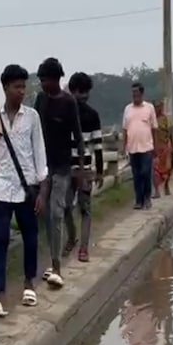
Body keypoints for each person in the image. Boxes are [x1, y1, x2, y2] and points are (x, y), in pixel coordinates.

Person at [0, 64, 48, 317]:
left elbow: (39, 153)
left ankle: (29, 284)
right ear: (5, 88)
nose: (21, 91)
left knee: (30, 236)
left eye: (24, 86)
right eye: (16, 86)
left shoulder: (32, 117)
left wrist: (42, 191)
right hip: (1, 188)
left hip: (26, 189)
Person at [34, 58, 85, 288]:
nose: (43, 84)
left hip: (63, 167)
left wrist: (81, 170)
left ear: (56, 79)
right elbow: (33, 131)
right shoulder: (40, 100)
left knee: (56, 212)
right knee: (44, 214)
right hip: (42, 166)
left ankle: (56, 266)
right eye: (41, 80)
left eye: (45, 80)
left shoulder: (68, 103)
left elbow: (78, 136)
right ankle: (52, 255)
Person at [65, 72, 104, 262]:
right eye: (81, 92)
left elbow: (97, 145)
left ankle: (83, 248)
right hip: (65, 168)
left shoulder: (92, 115)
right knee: (64, 207)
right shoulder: (63, 112)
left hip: (85, 168)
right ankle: (72, 237)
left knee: (85, 209)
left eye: (86, 92)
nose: (83, 96)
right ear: (73, 91)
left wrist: (100, 170)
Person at [122, 82, 157, 210]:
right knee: (136, 175)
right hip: (132, 147)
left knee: (145, 172)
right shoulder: (127, 109)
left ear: (141, 93)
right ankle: (139, 200)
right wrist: (123, 146)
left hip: (147, 147)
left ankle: (147, 197)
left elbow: (154, 128)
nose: (134, 95)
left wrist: (156, 147)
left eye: (136, 93)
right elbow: (124, 129)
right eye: (133, 93)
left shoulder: (149, 108)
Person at [152, 100, 173, 198]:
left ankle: (166, 185)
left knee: (168, 168)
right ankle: (156, 191)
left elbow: (170, 132)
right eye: (156, 107)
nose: (158, 109)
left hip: (165, 146)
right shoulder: (151, 120)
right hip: (155, 146)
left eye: (160, 107)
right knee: (155, 170)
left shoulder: (165, 119)